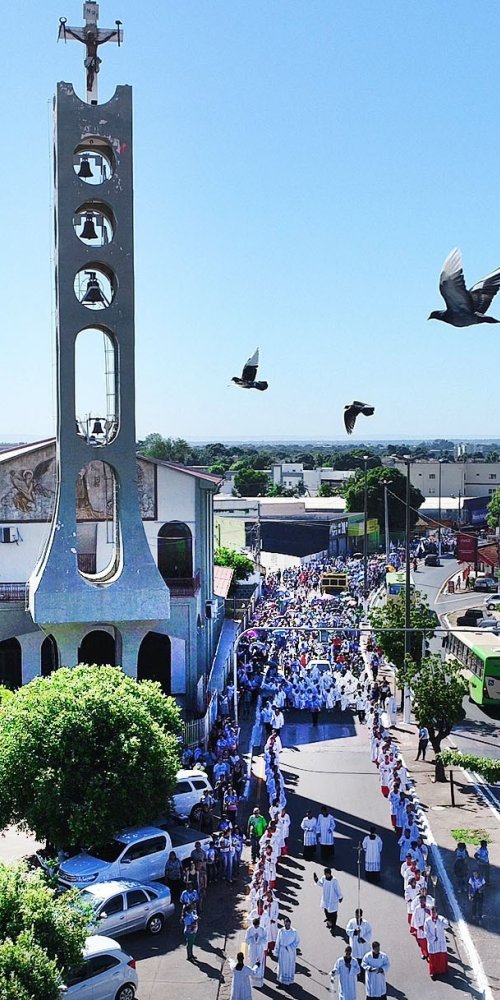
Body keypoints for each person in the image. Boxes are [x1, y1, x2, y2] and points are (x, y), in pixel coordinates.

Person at [424, 907, 449, 980]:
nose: (433, 914)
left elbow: (446, 925)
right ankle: (433, 972)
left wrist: (441, 921)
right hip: (432, 942)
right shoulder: (427, 921)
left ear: (437, 913)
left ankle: (442, 970)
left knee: (441, 957)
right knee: (433, 958)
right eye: (432, 912)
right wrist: (433, 938)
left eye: (434, 912)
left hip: (440, 942)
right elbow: (426, 932)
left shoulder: (441, 919)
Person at [274, 917, 300, 986]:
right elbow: (278, 941)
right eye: (286, 924)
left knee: (288, 967)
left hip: (290, 953)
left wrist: (289, 947)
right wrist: (276, 952)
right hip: (282, 951)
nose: (287, 926)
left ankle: (288, 983)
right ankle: (281, 982)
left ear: (290, 924)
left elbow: (297, 941)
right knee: (282, 966)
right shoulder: (281, 931)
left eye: (288, 924)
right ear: (284, 924)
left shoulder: (294, 932)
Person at [245, 918, 267, 988]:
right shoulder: (250, 930)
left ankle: (259, 984)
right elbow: (246, 940)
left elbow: (265, 940)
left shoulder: (262, 930)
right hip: (252, 949)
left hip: (259, 949)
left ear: (259, 924)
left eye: (257, 926)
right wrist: (253, 938)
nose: (256, 927)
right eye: (255, 926)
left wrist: (259, 939)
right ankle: (253, 982)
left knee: (259, 965)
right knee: (252, 963)